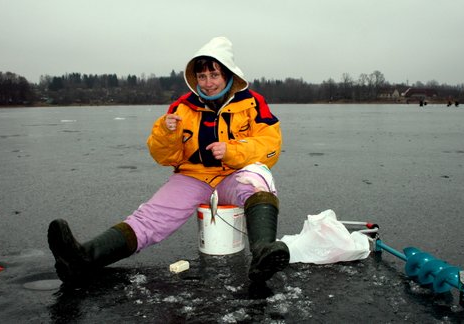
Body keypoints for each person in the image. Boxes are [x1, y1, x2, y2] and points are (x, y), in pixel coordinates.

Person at [47, 36, 289, 284]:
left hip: (234, 176)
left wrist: (232, 151)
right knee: (149, 218)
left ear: (227, 75)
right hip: (194, 177)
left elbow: (270, 146)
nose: (208, 83)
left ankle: (263, 252)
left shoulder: (252, 103)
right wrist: (166, 132)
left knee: (259, 179)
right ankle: (82, 259)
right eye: (202, 76)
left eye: (214, 75)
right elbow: (164, 157)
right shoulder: (182, 107)